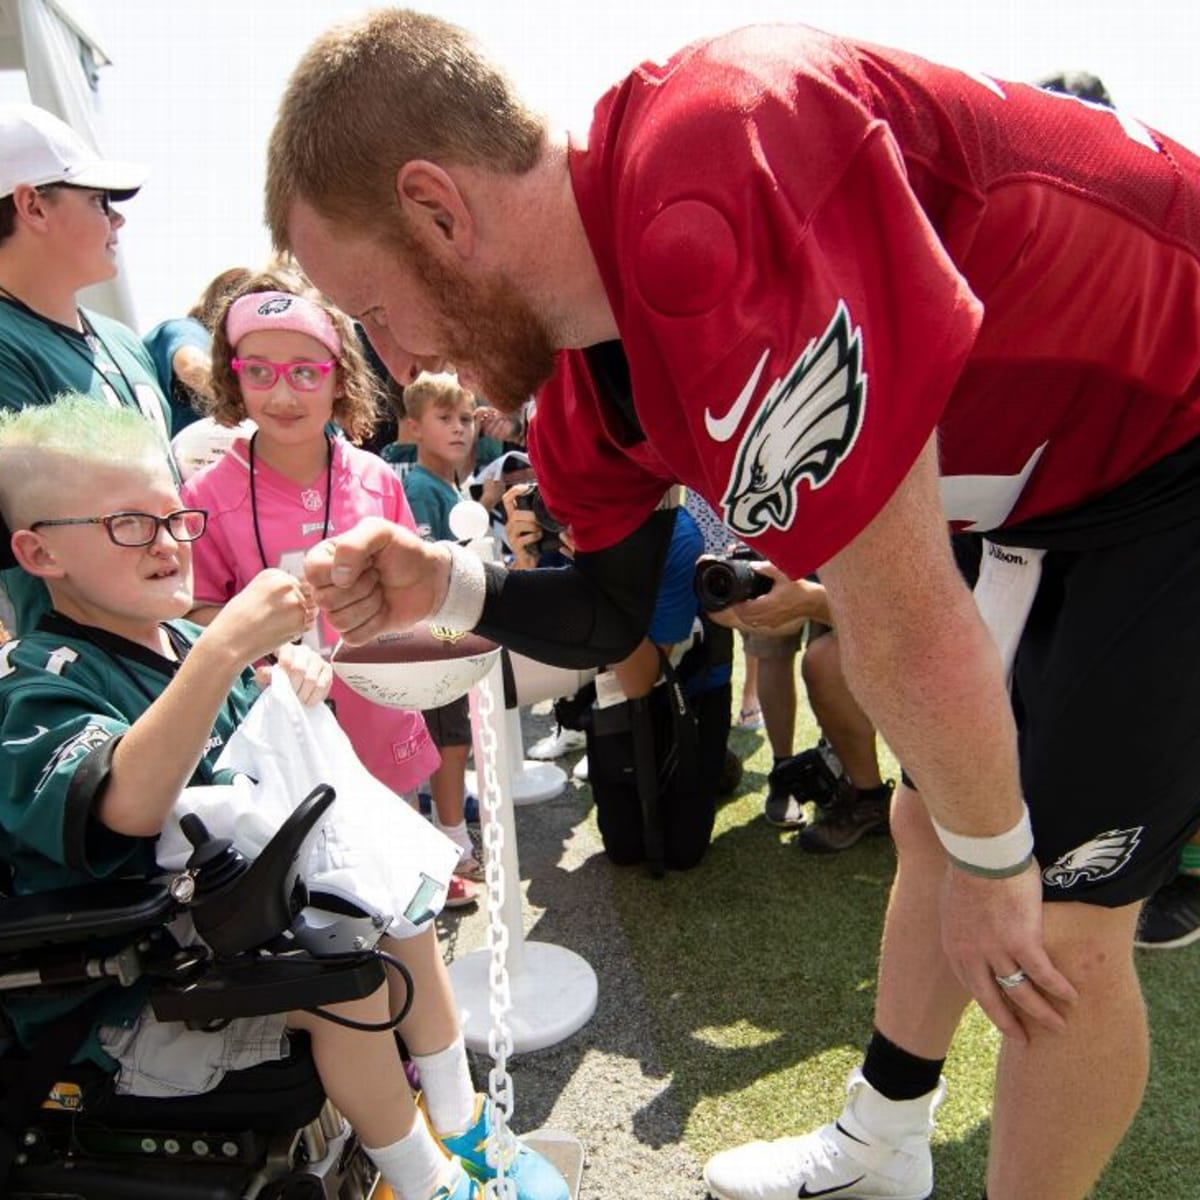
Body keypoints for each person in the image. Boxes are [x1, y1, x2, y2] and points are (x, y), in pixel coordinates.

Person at [268, 13, 1200, 1200]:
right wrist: (449, 582)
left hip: (1174, 438)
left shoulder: (710, 174)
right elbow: (611, 619)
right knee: (941, 827)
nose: (393, 366)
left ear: (439, 211)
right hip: (1059, 483)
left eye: (375, 310)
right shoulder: (586, 371)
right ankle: (886, 1138)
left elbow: (902, 623)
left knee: (1053, 925)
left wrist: (996, 865)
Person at [0, 395, 568, 1200]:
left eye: (176, 518)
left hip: (223, 937)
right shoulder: (43, 683)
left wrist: (281, 679)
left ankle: (458, 1114)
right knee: (345, 981)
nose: (168, 543)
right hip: (124, 1004)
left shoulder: (188, 647)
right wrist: (231, 645)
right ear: (39, 552)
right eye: (128, 525)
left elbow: (250, 761)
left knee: (401, 903)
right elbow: (124, 802)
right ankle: (428, 1180)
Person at [177, 276, 471, 909]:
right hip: (284, 741)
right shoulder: (206, 497)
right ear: (234, 379)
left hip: (382, 719)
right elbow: (193, 611)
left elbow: (414, 595)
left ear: (340, 377)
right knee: (324, 909)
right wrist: (259, 645)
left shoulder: (375, 478)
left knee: (403, 901)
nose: (283, 393)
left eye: (306, 372)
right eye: (260, 371)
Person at [0, 102, 170, 636]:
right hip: (80, 669)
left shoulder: (120, 340)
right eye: (98, 200)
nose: (117, 219)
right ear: (33, 205)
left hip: (168, 645)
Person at [399, 372, 486, 883]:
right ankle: (453, 841)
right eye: (445, 419)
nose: (459, 429)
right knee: (447, 742)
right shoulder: (419, 488)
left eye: (467, 419)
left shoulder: (445, 485)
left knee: (455, 739)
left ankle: (449, 830)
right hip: (436, 640)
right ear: (413, 426)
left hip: (453, 635)